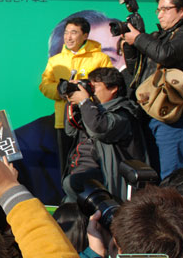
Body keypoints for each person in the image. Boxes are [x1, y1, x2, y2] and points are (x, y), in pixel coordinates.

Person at [123, 0, 183, 179]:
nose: (160, 14)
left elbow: (166, 54)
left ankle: (175, 210)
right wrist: (130, 45)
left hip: (174, 116)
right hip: (151, 111)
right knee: (153, 176)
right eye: (158, 10)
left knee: (173, 177)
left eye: (165, 9)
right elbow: (136, 71)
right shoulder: (161, 37)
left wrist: (139, 38)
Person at [40, 16, 113, 180]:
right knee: (66, 164)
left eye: (74, 33)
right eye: (66, 33)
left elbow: (108, 85)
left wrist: (85, 88)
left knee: (93, 163)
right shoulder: (55, 60)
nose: (69, 37)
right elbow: (44, 85)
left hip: (92, 119)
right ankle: (68, 199)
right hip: (64, 121)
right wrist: (61, 90)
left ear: (85, 35)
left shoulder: (100, 58)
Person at [62, 67, 149, 201]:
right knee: (68, 205)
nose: (91, 91)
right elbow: (70, 130)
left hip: (110, 181)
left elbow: (99, 129)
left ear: (113, 88)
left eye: (94, 87)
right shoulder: (92, 110)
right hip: (85, 171)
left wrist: (84, 102)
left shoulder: (123, 113)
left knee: (72, 183)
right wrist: (73, 102)